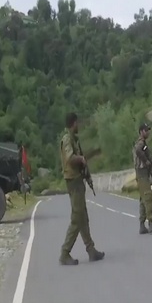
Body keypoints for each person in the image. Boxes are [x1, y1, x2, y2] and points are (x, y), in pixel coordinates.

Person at [59, 112, 105, 265]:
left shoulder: (74, 140)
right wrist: (82, 160)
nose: (79, 125)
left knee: (83, 217)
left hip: (78, 180)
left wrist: (86, 173)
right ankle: (65, 253)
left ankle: (91, 250)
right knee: (77, 218)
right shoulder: (67, 140)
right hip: (73, 181)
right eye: (77, 123)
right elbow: (70, 159)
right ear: (73, 123)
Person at [133, 123, 152, 235]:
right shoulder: (140, 143)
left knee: (142, 199)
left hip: (143, 173)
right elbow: (138, 151)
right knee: (148, 198)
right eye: (146, 130)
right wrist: (146, 161)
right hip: (141, 173)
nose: (148, 132)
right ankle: (150, 223)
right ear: (141, 132)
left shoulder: (143, 143)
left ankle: (142, 225)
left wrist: (151, 169)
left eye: (148, 130)